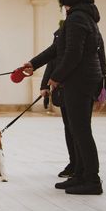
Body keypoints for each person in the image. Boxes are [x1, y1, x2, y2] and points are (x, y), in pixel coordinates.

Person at [21, 0, 106, 195]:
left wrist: (55, 78)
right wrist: (33, 64)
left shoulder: (77, 18)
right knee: (76, 130)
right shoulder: (83, 17)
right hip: (81, 80)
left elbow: (72, 54)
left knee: (81, 131)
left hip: (80, 82)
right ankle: (79, 175)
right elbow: (57, 48)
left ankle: (92, 181)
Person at [40, 26, 77, 178]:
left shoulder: (79, 33)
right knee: (69, 128)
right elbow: (51, 61)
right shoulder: (60, 35)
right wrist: (44, 85)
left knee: (78, 131)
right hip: (62, 91)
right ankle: (73, 163)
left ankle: (82, 168)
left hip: (76, 89)